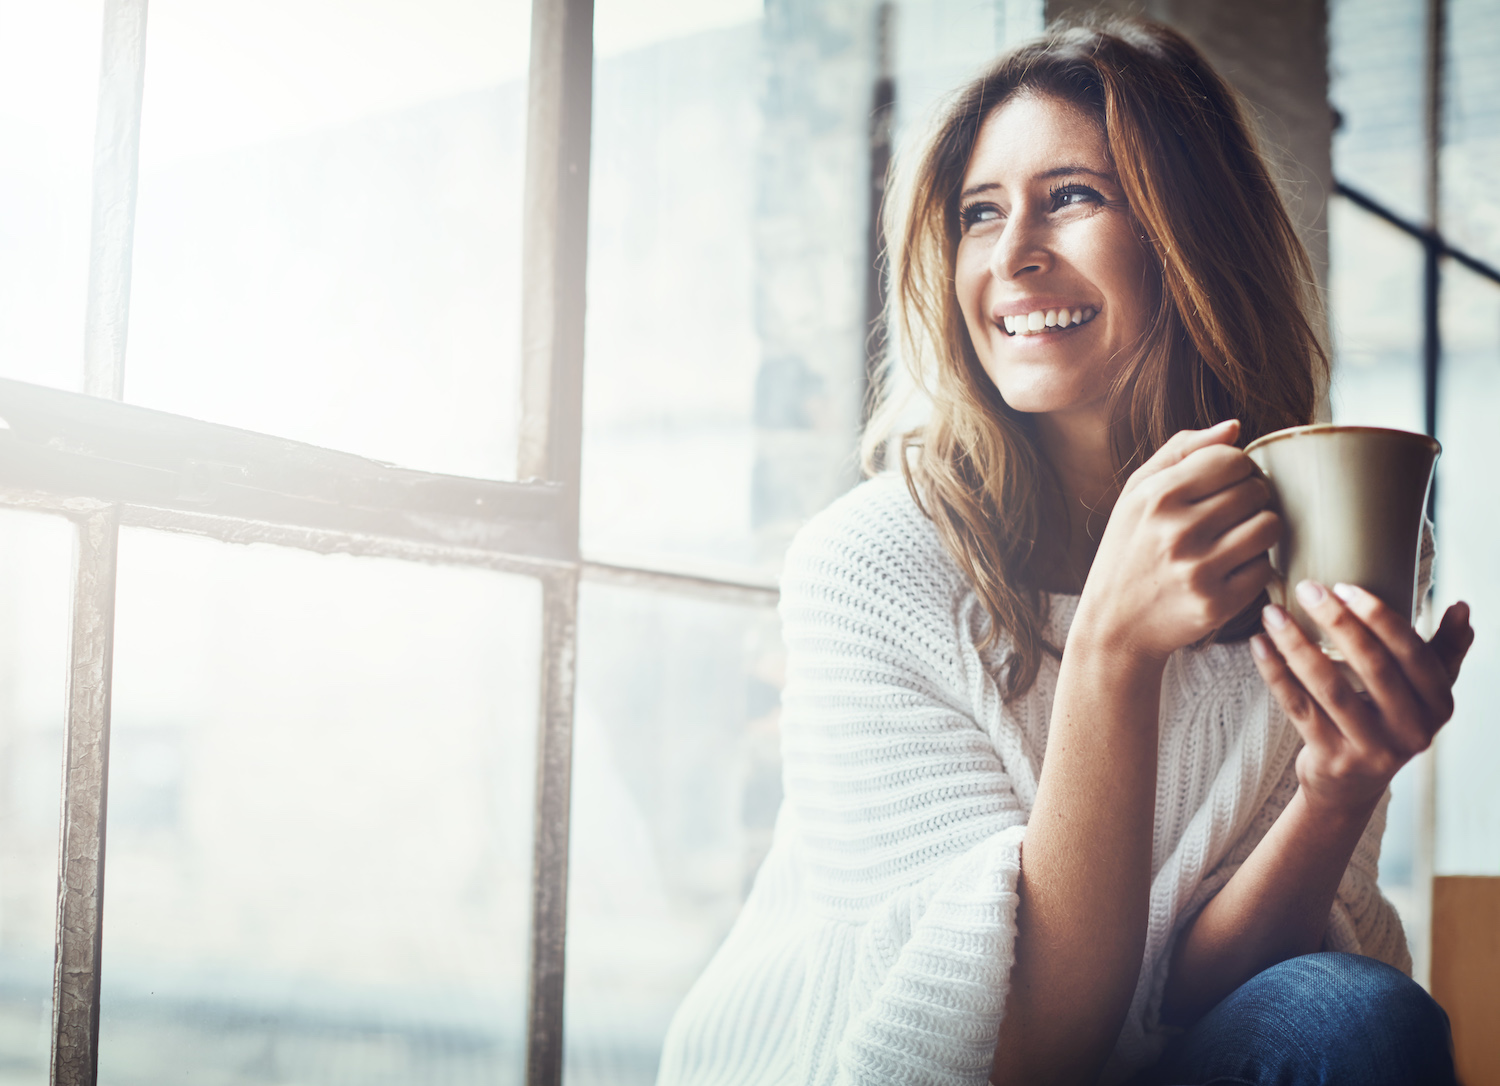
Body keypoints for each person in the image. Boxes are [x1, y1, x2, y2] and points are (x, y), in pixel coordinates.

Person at [656, 19, 1474, 1086]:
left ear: (1194, 240)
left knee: (1353, 1016)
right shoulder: (871, 565)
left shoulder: (1310, 553)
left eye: (1075, 196)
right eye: (980, 214)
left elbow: (1195, 1003)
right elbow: (1022, 1053)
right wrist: (1111, 652)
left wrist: (1337, 786)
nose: (1011, 255)